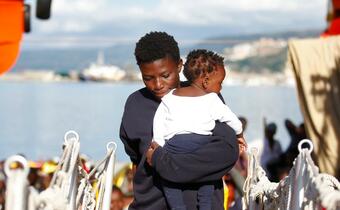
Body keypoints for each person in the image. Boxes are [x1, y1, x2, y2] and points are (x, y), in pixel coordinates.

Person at [119, 31, 240, 210]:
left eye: (165, 75)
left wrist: (162, 161)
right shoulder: (134, 104)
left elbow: (224, 155)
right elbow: (137, 161)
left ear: (179, 66)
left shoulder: (208, 97)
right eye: (148, 78)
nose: (158, 84)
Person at [152, 49, 245, 210]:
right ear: (206, 81)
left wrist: (158, 146)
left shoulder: (169, 98)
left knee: (168, 179)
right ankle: (205, 205)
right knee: (207, 175)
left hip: (175, 147)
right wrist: (239, 134)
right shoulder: (212, 99)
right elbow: (234, 121)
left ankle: (177, 206)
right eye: (220, 83)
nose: (220, 88)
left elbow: (158, 123)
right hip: (202, 145)